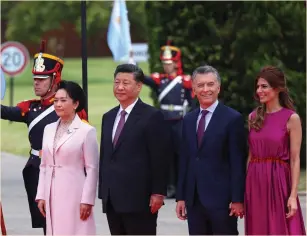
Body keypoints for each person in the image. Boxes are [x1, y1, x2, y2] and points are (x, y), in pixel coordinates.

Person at [0, 40, 87, 234]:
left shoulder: (71, 108)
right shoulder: (30, 107)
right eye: (35, 79)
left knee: (61, 222)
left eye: (42, 79)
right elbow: (4, 112)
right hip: (36, 170)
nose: (36, 83)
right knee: (46, 224)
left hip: (63, 171)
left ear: (55, 80)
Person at [98, 64, 172, 235]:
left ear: (138, 86)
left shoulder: (152, 116)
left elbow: (160, 158)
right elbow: (106, 156)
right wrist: (104, 190)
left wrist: (158, 192)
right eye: (117, 82)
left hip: (140, 199)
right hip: (112, 199)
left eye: (126, 83)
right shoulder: (108, 117)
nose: (120, 87)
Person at [176, 65, 246, 235]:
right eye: (200, 85)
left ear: (218, 87)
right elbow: (185, 159)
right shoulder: (189, 120)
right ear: (193, 89)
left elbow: (237, 162)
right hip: (194, 200)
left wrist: (237, 199)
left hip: (222, 201)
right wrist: (181, 197)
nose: (205, 89)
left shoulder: (233, 118)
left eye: (210, 84)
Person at [245, 66, 306, 235]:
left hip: (279, 181)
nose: (259, 91)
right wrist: (246, 189)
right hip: (254, 181)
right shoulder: (253, 117)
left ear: (278, 88)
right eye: (258, 87)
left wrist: (293, 196)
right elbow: (251, 155)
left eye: (264, 86)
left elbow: (295, 160)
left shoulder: (291, 118)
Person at [36, 80, 99, 235]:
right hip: (51, 191)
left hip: (75, 192)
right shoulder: (48, 129)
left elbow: (92, 168)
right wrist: (41, 195)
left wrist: (87, 200)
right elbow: (44, 165)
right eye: (55, 101)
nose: (58, 104)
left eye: (63, 100)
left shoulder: (86, 131)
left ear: (76, 104)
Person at [143, 40, 195, 198]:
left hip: (179, 121)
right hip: (164, 122)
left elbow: (191, 102)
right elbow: (144, 79)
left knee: (181, 154)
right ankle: (170, 186)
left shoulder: (185, 81)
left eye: (170, 63)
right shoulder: (160, 80)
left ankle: (181, 186)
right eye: (165, 63)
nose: (167, 66)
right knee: (166, 155)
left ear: (176, 63)